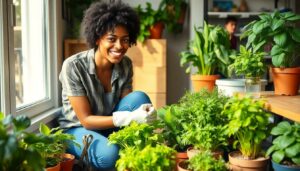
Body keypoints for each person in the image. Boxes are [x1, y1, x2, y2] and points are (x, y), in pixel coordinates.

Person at [58, 1, 156, 170]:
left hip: (108, 125)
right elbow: (86, 120)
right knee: (110, 154)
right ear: (97, 38)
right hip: (78, 129)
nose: (119, 46)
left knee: (140, 98)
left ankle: (134, 160)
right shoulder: (73, 66)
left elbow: (130, 104)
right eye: (112, 39)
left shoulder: (125, 64)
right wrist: (130, 118)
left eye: (125, 40)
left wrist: (145, 115)